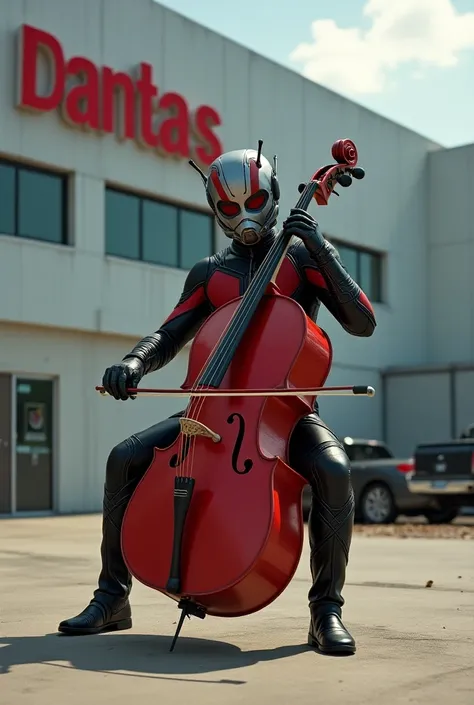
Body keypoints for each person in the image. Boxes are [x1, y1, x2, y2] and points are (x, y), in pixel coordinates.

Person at [58, 147, 376, 654]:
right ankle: (112, 597)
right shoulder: (209, 273)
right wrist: (134, 363)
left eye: (252, 200)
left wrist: (319, 246)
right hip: (211, 410)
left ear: (272, 194)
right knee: (124, 457)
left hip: (286, 413)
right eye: (229, 208)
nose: (244, 215)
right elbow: (168, 335)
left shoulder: (299, 258)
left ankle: (325, 611)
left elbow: (362, 322)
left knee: (335, 469)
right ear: (214, 210)